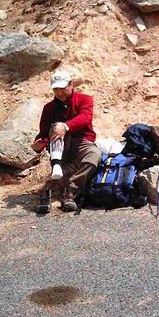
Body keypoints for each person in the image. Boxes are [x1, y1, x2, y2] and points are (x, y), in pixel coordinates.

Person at [31, 69, 101, 213]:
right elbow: (44, 133)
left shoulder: (85, 99)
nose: (60, 93)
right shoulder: (49, 108)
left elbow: (85, 117)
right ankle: (62, 183)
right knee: (56, 127)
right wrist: (39, 144)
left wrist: (66, 126)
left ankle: (69, 190)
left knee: (94, 155)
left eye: (62, 88)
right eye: (56, 89)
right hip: (60, 146)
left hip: (82, 141)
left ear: (71, 85)